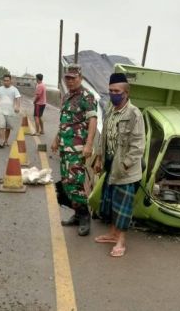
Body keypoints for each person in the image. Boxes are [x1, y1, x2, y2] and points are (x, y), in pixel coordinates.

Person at [93, 73, 145, 257]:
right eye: (110, 91)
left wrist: (124, 166)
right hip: (110, 165)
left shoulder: (134, 114)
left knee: (123, 207)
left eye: (117, 91)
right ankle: (112, 234)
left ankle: (121, 241)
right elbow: (104, 137)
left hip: (125, 170)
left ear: (126, 93)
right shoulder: (110, 110)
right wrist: (99, 158)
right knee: (111, 203)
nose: (113, 94)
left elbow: (138, 146)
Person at [51, 64, 97, 236]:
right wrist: (56, 139)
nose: (69, 81)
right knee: (66, 182)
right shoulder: (66, 97)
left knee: (74, 183)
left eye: (73, 78)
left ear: (80, 78)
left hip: (77, 147)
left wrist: (89, 145)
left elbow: (93, 121)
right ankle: (77, 214)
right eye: (67, 78)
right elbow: (65, 122)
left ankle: (85, 216)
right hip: (65, 146)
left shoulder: (87, 96)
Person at [0, 74, 21, 148]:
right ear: (3, 81)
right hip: (1, 111)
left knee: (8, 128)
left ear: (10, 81)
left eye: (7, 80)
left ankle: (6, 140)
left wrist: (17, 106)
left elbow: (18, 99)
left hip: (10, 112)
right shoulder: (0, 89)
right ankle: (1, 142)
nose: (6, 82)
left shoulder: (14, 89)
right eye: (4, 80)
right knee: (1, 126)